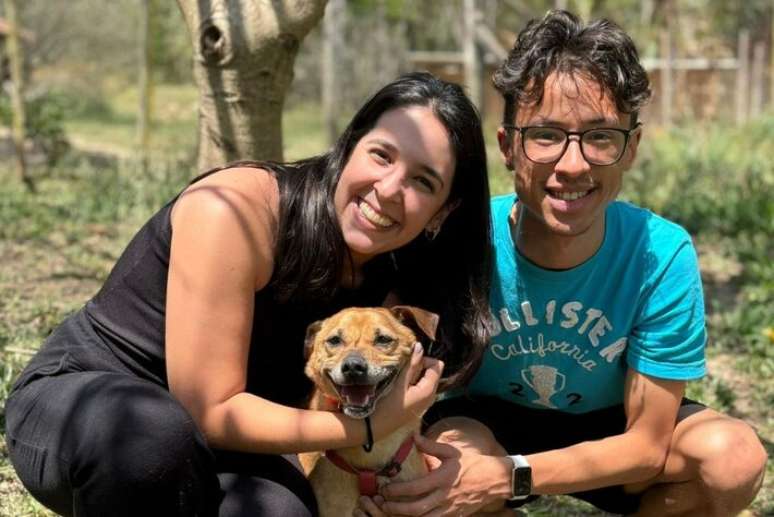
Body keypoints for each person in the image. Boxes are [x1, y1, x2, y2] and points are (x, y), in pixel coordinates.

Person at [4, 71, 493, 517]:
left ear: (441, 211)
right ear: (349, 146)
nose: (389, 189)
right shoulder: (236, 208)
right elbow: (208, 411)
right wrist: (367, 427)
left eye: (422, 181)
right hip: (96, 406)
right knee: (153, 442)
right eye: (381, 155)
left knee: (282, 512)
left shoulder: (402, 276)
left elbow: (375, 404)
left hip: (229, 445)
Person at [364, 11, 768, 517]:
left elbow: (646, 446)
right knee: (450, 462)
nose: (572, 165)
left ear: (632, 148)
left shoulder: (659, 254)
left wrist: (514, 475)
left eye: (600, 136)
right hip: (485, 422)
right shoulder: (463, 239)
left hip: (614, 427)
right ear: (508, 146)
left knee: (733, 457)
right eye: (546, 135)